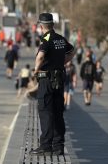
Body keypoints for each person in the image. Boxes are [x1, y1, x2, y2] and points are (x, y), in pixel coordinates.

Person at [30, 13, 75, 156]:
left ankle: (45, 146)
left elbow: (41, 56)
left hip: (47, 79)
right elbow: (72, 51)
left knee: (45, 111)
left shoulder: (47, 38)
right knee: (57, 111)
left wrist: (35, 70)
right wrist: (62, 62)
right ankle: (58, 145)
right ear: (53, 24)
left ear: (41, 25)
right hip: (59, 79)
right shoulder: (60, 38)